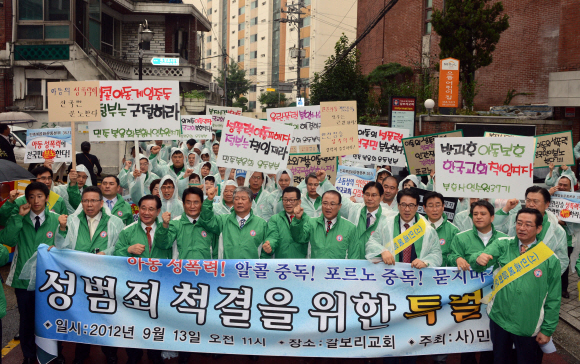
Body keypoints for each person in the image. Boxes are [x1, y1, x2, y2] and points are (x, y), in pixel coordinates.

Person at [472, 208, 561, 364]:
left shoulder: (550, 259)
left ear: (538, 228)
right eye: (519, 223)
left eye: (528, 224)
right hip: (500, 318)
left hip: (528, 323)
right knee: (500, 359)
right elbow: (480, 263)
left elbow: (554, 298)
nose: (522, 228)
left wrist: (547, 329)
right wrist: (478, 258)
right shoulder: (502, 244)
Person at [55, 185, 124, 364]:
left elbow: (121, 247)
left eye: (93, 200)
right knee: (82, 318)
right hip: (79, 279)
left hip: (106, 279)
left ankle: (110, 353)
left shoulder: (115, 222)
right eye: (85, 200)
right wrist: (61, 230)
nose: (89, 204)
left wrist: (106, 253)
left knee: (107, 317)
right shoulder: (70, 221)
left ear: (102, 203)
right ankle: (81, 353)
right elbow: (62, 248)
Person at [0, 182, 60, 364]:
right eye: (32, 196)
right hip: (23, 279)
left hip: (50, 279)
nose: (36, 200)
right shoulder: (20, 217)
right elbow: (7, 240)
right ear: (26, 199)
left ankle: (53, 354)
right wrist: (18, 218)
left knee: (50, 318)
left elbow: (65, 245)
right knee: (26, 320)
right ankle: (28, 354)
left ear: (47, 198)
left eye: (40, 196)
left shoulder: (57, 219)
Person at [114, 194, 170, 364]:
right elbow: (115, 256)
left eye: (151, 209)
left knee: (157, 323)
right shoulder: (127, 230)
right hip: (134, 287)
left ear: (158, 211)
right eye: (143, 208)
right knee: (133, 325)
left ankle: (155, 355)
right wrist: (128, 250)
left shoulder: (167, 230)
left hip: (160, 287)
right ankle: (133, 357)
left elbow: (172, 252)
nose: (146, 212)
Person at [494, 186, 569, 275]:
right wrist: (506, 209)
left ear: (547, 204)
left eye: (535, 201)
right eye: (528, 200)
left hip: (539, 279)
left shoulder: (557, 230)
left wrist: (545, 278)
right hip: (512, 275)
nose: (531, 204)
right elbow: (496, 230)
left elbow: (562, 260)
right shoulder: (515, 219)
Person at [366, 189, 442, 268]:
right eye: (403, 205)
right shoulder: (386, 224)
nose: (407, 209)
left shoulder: (426, 228)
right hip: (392, 274)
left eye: (411, 205)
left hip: (416, 276)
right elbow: (371, 244)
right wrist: (382, 251)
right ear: (398, 205)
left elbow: (436, 254)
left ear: (417, 207)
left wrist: (425, 262)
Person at [198, 186, 269, 259]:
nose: (239, 202)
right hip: (227, 268)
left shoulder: (261, 223)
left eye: (243, 199)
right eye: (236, 199)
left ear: (251, 203)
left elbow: (266, 250)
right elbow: (207, 220)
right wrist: (209, 200)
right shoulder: (223, 220)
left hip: (250, 268)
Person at [290, 190, 360, 259]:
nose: (328, 207)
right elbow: (299, 238)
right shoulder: (312, 223)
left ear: (339, 206)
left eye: (332, 204)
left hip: (337, 270)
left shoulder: (350, 227)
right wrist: (297, 220)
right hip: (316, 268)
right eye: (325, 203)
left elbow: (354, 255)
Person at [339, 182, 396, 258]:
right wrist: (323, 181)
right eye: (367, 194)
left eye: (374, 195)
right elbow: (338, 198)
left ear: (381, 197)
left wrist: (382, 250)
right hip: (354, 262)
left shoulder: (388, 217)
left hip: (375, 265)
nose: (369, 198)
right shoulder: (355, 210)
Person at [0, 166, 67, 226]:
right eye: (43, 178)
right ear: (32, 181)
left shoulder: (59, 200)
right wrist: (10, 202)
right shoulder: (20, 201)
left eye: (49, 178)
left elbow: (65, 224)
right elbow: (3, 221)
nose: (47, 181)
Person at [548, 174, 579, 299]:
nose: (561, 187)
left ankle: (563, 289)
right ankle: (549, 286)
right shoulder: (550, 197)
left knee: (563, 263)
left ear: (570, 186)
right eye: (560, 184)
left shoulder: (575, 200)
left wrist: (562, 222)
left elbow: (576, 219)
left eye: (565, 185)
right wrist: (548, 194)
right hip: (551, 236)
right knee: (550, 262)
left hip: (568, 239)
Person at [262, 186, 308, 258]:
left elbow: (302, 238)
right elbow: (273, 236)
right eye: (285, 200)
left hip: (301, 264)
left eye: (291, 200)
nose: (288, 203)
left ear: (299, 202)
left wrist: (297, 219)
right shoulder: (275, 219)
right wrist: (269, 244)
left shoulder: (307, 220)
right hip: (281, 263)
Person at [423, 191, 460, 267]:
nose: (435, 209)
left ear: (443, 207)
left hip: (442, 275)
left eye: (438, 205)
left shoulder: (453, 230)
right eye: (430, 206)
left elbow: (456, 255)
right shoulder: (416, 227)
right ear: (424, 208)